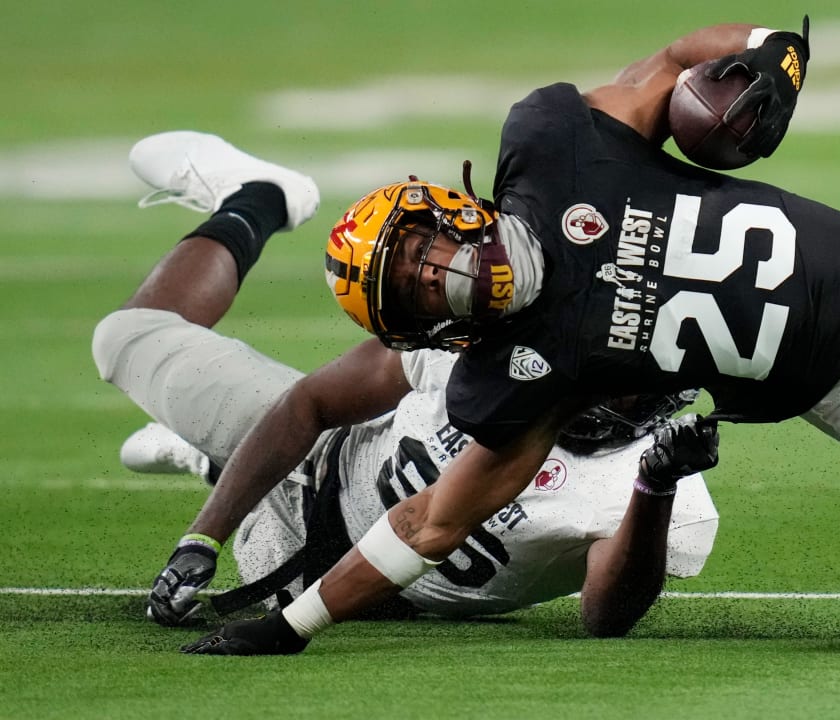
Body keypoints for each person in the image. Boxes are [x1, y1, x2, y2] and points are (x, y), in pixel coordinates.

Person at [122, 17, 840, 655]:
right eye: (419, 287)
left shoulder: (554, 148)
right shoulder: (514, 376)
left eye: (421, 246)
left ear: (440, 205)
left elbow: (669, 58)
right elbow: (431, 517)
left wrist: (756, 54)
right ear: (427, 328)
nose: (441, 270)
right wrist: (297, 624)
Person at [91, 132, 720, 644]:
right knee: (121, 337)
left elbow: (606, 615)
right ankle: (256, 198)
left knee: (268, 560)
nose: (591, 382)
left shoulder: (661, 489)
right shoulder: (486, 340)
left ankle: (207, 458)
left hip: (348, 587)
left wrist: (654, 486)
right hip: (322, 460)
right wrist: (203, 536)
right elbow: (311, 403)